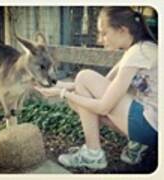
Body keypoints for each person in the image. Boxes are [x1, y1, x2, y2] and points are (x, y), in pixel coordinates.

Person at [33, 7, 158, 169]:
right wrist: (57, 85)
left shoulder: (137, 54)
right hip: (151, 123)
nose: (101, 40)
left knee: (84, 77)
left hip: (150, 126)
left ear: (122, 30)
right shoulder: (139, 49)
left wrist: (62, 93)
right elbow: (105, 86)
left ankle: (93, 154)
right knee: (81, 95)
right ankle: (135, 144)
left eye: (104, 33)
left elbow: (104, 105)